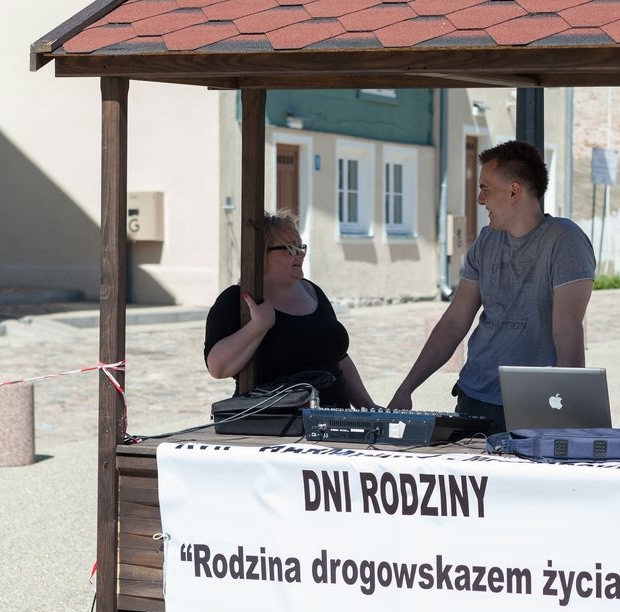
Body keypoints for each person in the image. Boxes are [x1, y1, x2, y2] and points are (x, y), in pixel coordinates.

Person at [388, 140, 595, 432]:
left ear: (514, 192)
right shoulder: (486, 240)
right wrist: (407, 387)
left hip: (537, 404)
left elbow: (568, 332)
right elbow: (454, 322)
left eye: (485, 188)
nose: (479, 199)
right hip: (474, 396)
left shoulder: (565, 241)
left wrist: (572, 419)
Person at [204, 210, 376, 409]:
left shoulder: (312, 291)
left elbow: (337, 358)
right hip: (276, 421)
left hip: (335, 420)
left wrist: (368, 407)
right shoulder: (236, 300)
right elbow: (218, 368)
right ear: (261, 254)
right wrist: (258, 326)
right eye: (289, 248)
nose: (299, 254)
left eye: (300, 246)